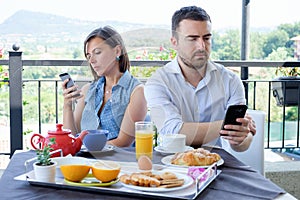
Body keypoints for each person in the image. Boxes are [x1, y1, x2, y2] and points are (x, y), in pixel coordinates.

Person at [144, 6, 256, 152]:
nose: (201, 46)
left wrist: (241, 136)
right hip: (170, 164)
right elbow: (174, 131)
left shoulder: (231, 80)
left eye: (206, 38)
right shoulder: (158, 82)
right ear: (174, 42)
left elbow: (241, 144)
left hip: (217, 162)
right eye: (193, 38)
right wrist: (227, 124)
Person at [62, 26, 147, 147]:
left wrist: (85, 149)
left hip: (120, 163)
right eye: (89, 56)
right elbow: (71, 137)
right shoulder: (88, 90)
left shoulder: (136, 91)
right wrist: (67, 105)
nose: (92, 60)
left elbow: (123, 142)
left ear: (117, 51)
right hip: (85, 161)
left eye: (97, 52)